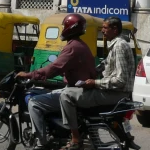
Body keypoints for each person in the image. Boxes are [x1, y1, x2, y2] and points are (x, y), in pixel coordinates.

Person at [16, 13, 96, 150]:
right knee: (48, 93)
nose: (63, 29)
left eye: (64, 26)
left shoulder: (72, 47)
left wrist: (30, 75)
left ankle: (41, 143)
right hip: (80, 89)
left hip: (75, 91)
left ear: (70, 28)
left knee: (34, 102)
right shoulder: (81, 45)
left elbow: (54, 68)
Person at [60, 16, 135, 150]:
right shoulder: (115, 45)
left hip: (115, 94)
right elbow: (105, 65)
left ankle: (75, 139)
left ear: (115, 29)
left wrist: (95, 83)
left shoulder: (119, 46)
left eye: (105, 28)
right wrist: (90, 73)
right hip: (114, 92)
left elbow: (120, 80)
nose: (103, 31)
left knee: (66, 95)